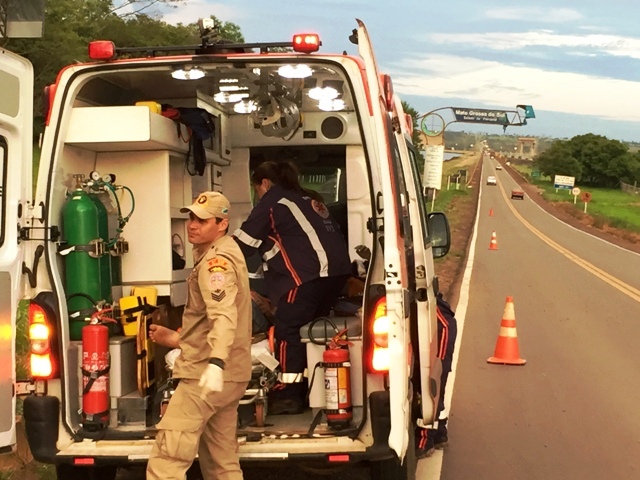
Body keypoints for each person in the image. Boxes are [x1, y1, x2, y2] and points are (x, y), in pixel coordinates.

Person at [146, 191, 252, 480]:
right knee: (221, 463)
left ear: (222, 224)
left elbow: (224, 314)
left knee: (167, 460)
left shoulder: (214, 263)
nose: (193, 224)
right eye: (192, 217)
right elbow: (213, 322)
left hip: (205, 375)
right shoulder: (225, 253)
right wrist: (178, 340)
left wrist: (216, 362)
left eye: (203, 220)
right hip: (229, 374)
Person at [233, 161, 352, 415]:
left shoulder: (273, 202)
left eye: (256, 190)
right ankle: (314, 387)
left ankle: (288, 394)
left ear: (264, 183)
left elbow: (241, 245)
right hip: (335, 276)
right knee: (309, 330)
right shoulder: (308, 198)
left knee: (288, 330)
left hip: (306, 276)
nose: (257, 195)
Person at [415, 293, 458, 459]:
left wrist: (438, 361)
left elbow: (444, 325)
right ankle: (440, 432)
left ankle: (425, 442)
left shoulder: (424, 298)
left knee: (432, 386)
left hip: (441, 336)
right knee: (435, 386)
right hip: (439, 332)